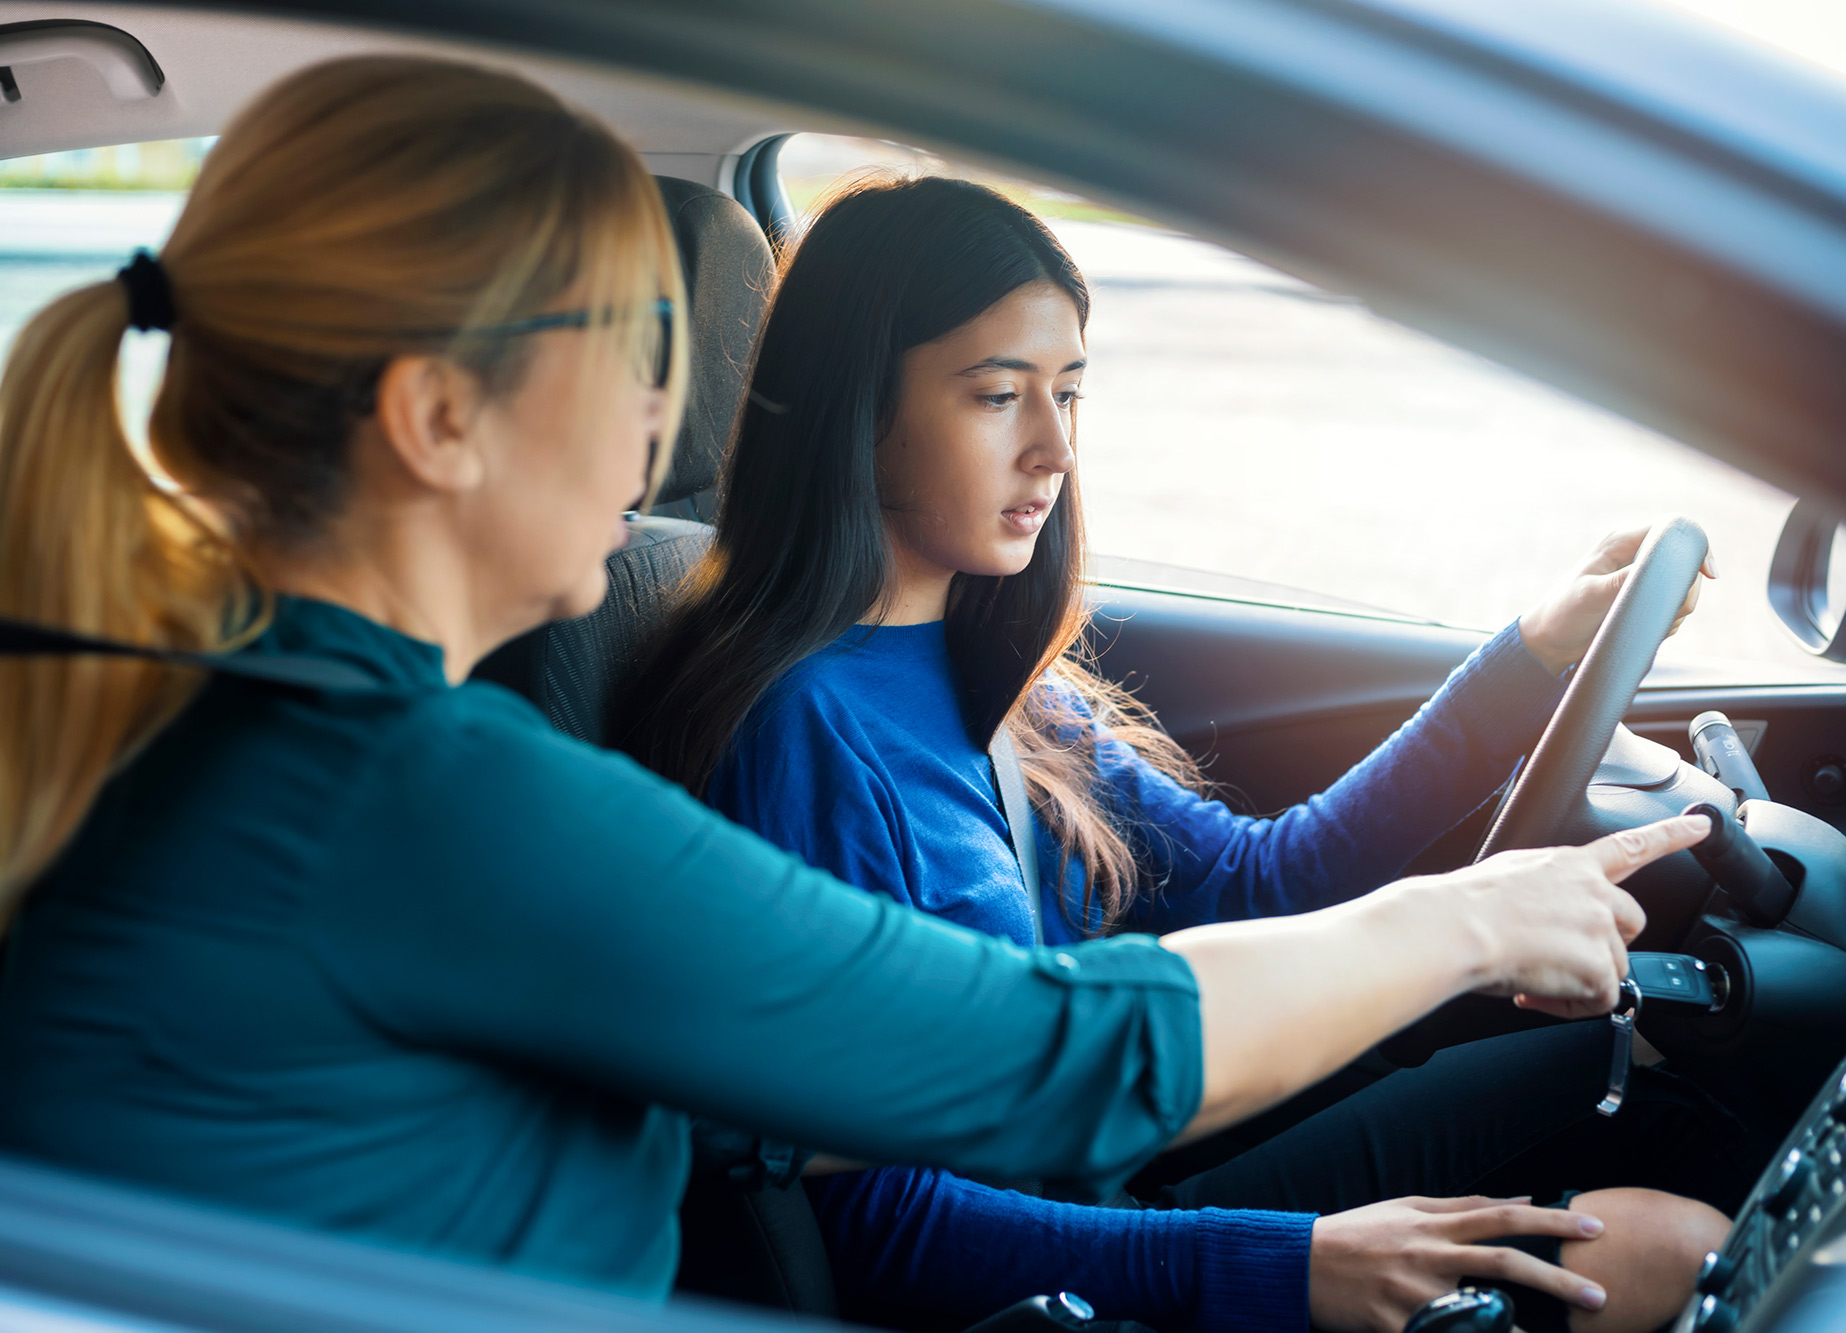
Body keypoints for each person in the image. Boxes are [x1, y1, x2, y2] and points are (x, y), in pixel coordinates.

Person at [0, 57, 1699, 1308]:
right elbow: (1036, 1063)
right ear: (441, 418)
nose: (665, 423)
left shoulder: (304, 746)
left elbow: (827, 1118)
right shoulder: (418, 793)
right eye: (636, 356)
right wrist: (1462, 926)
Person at [617, 176, 1746, 1333]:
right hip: (1050, 1285)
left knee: (1644, 1076)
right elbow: (882, 1226)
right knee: (1671, 1248)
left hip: (1105, 1187)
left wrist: (1533, 654)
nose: (1053, 449)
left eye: (1068, 394)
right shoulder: (804, 731)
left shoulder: (992, 669)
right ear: (860, 410)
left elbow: (1261, 879)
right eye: (997, 396)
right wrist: (1293, 1264)